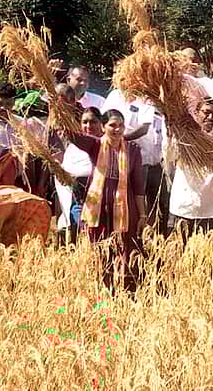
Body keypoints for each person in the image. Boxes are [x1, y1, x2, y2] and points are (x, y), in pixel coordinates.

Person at [68, 109, 146, 291]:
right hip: (99, 205)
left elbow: (138, 185)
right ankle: (102, 290)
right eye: (112, 125)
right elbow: (71, 135)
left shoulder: (133, 150)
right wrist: (58, 108)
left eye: (121, 125)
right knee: (100, 247)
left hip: (125, 206)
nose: (117, 129)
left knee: (125, 247)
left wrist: (142, 214)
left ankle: (125, 291)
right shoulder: (95, 145)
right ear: (103, 127)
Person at [102, 89, 166, 233]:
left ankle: (158, 237)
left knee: (155, 203)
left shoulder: (145, 98)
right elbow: (104, 120)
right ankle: (132, 234)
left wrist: (121, 139)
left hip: (148, 159)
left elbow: (144, 128)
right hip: (121, 159)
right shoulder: (115, 95)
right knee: (131, 200)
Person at [169, 98, 213, 237]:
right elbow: (171, 155)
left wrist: (194, 129)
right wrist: (174, 129)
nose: (210, 117)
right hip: (184, 205)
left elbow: (208, 155)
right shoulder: (180, 138)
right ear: (196, 113)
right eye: (206, 112)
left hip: (212, 207)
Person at [55, 107, 103, 245]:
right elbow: (66, 169)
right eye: (85, 122)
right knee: (79, 229)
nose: (88, 126)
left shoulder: (106, 143)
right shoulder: (73, 145)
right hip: (77, 196)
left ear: (101, 123)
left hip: (100, 197)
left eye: (93, 122)